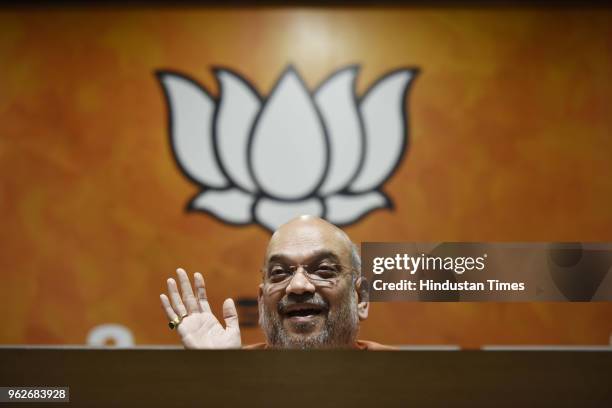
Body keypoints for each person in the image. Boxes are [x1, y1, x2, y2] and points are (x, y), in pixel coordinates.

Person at [159, 215, 394, 350]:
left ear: (361, 298)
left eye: (323, 270)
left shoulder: (405, 375)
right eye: (280, 273)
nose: (298, 285)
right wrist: (217, 377)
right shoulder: (231, 371)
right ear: (262, 302)